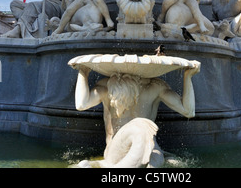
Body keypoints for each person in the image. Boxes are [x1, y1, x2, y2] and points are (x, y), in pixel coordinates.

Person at [71, 60, 200, 166]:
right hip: (117, 150)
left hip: (151, 150)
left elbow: (189, 111)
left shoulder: (155, 87)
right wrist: (83, 72)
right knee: (140, 126)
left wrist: (187, 76)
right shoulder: (109, 86)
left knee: (153, 159)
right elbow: (81, 105)